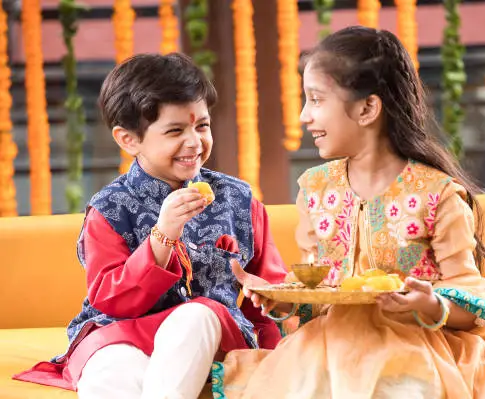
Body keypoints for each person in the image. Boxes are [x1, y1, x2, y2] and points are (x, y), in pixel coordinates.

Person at [219, 26, 485, 398]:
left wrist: (432, 304)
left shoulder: (438, 194)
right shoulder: (315, 189)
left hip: (413, 344)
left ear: (368, 108)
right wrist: (282, 296)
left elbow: (472, 301)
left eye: (316, 99)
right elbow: (318, 288)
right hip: (328, 343)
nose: (305, 115)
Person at [13, 52, 290, 399]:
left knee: (194, 316)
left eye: (201, 125)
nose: (194, 142)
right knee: (110, 368)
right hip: (123, 332)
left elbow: (273, 293)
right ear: (128, 139)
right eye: (175, 130)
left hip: (211, 336)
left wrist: (277, 357)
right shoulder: (110, 208)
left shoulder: (238, 199)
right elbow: (110, 302)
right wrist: (163, 235)